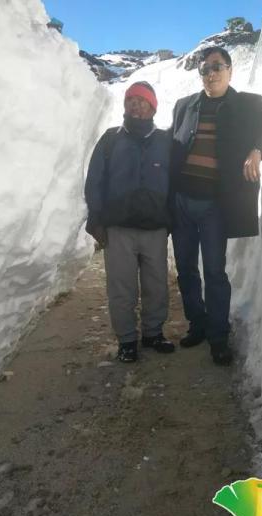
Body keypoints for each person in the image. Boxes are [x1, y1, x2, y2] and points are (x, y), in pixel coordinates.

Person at [170, 46, 262, 365]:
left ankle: (218, 335)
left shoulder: (248, 104)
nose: (211, 74)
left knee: (214, 272)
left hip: (214, 206)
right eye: (205, 69)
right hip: (182, 202)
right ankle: (198, 324)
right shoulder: (184, 106)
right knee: (186, 269)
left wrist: (258, 150)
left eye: (217, 67)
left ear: (230, 70)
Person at [84, 81, 174, 363]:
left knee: (156, 285)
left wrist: (171, 219)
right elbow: (95, 181)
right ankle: (126, 340)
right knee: (121, 287)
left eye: (142, 100)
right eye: (130, 100)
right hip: (118, 229)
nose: (135, 105)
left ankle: (153, 333)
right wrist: (96, 219)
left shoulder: (166, 141)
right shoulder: (111, 140)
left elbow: (176, 183)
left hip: (154, 228)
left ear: (153, 107)